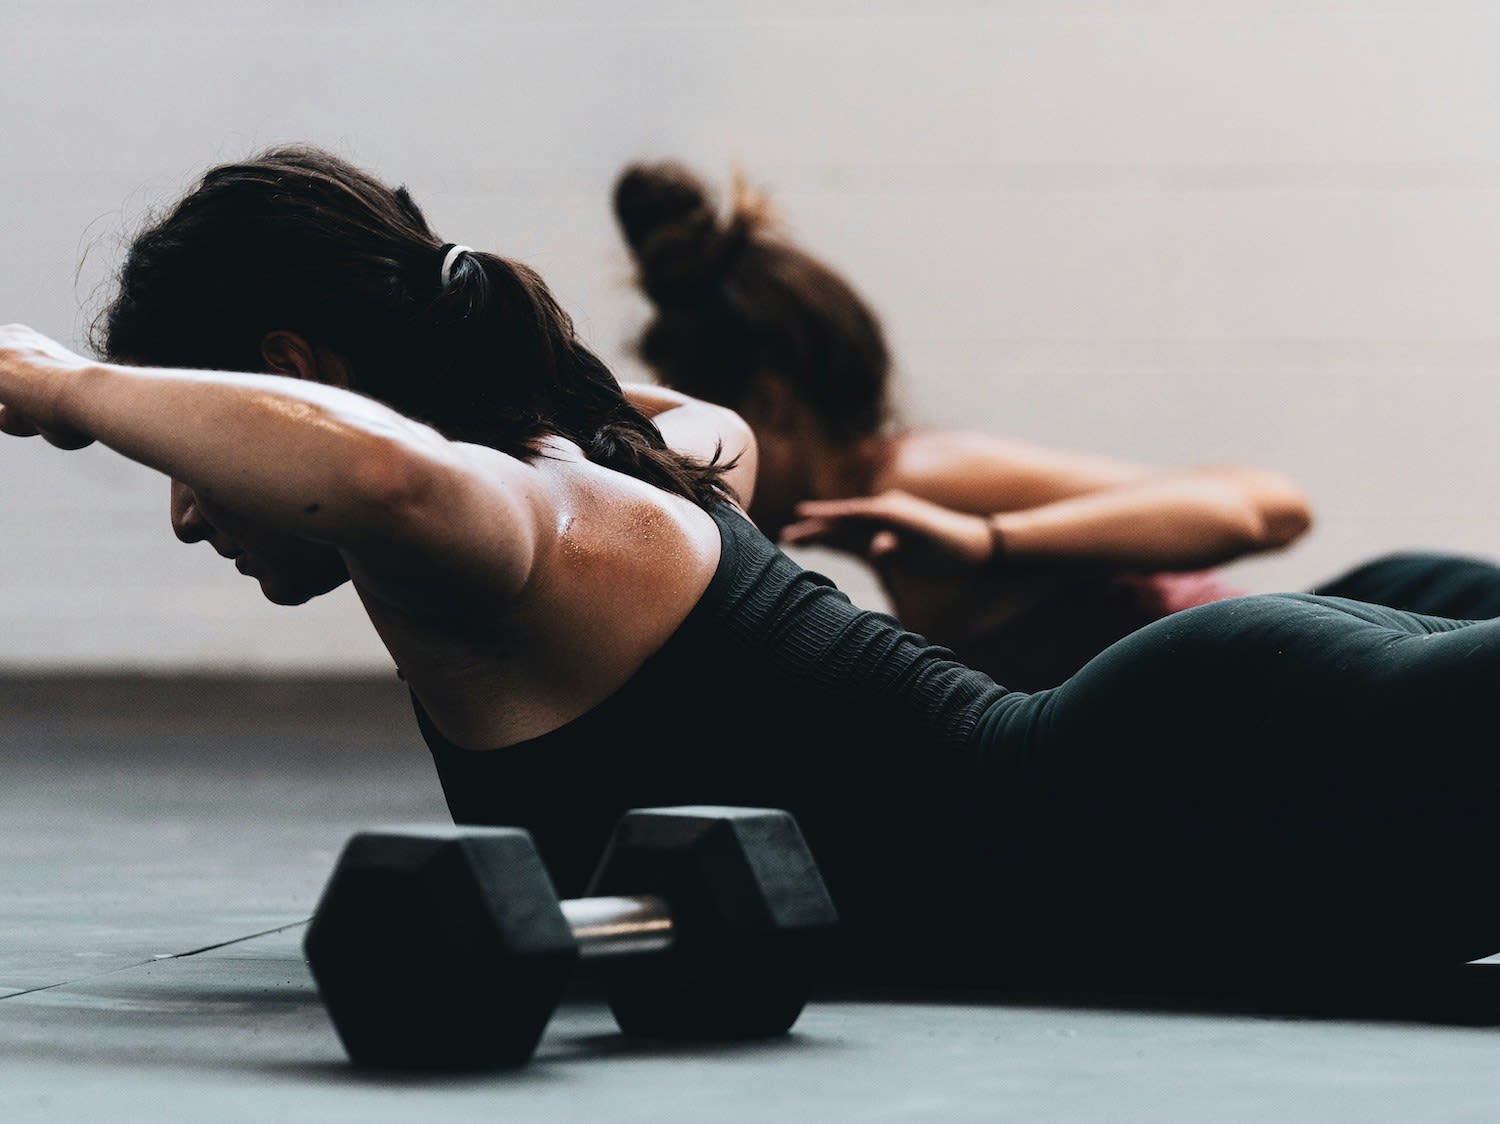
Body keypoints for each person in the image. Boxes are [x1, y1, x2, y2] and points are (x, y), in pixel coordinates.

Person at [6, 144, 1500, 998]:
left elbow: (379, 469)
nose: (191, 511)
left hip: (1194, 797)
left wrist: (65, 387)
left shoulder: (509, 533)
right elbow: (425, 436)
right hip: (1205, 806)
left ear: (289, 376)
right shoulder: (650, 453)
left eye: (192, 449)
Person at [611, 159, 1500, 691]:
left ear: (769, 405)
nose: (689, 468)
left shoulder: (921, 479)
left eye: (698, 430)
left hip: (1382, 638)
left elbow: (1265, 508)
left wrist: (991, 542)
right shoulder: (893, 526)